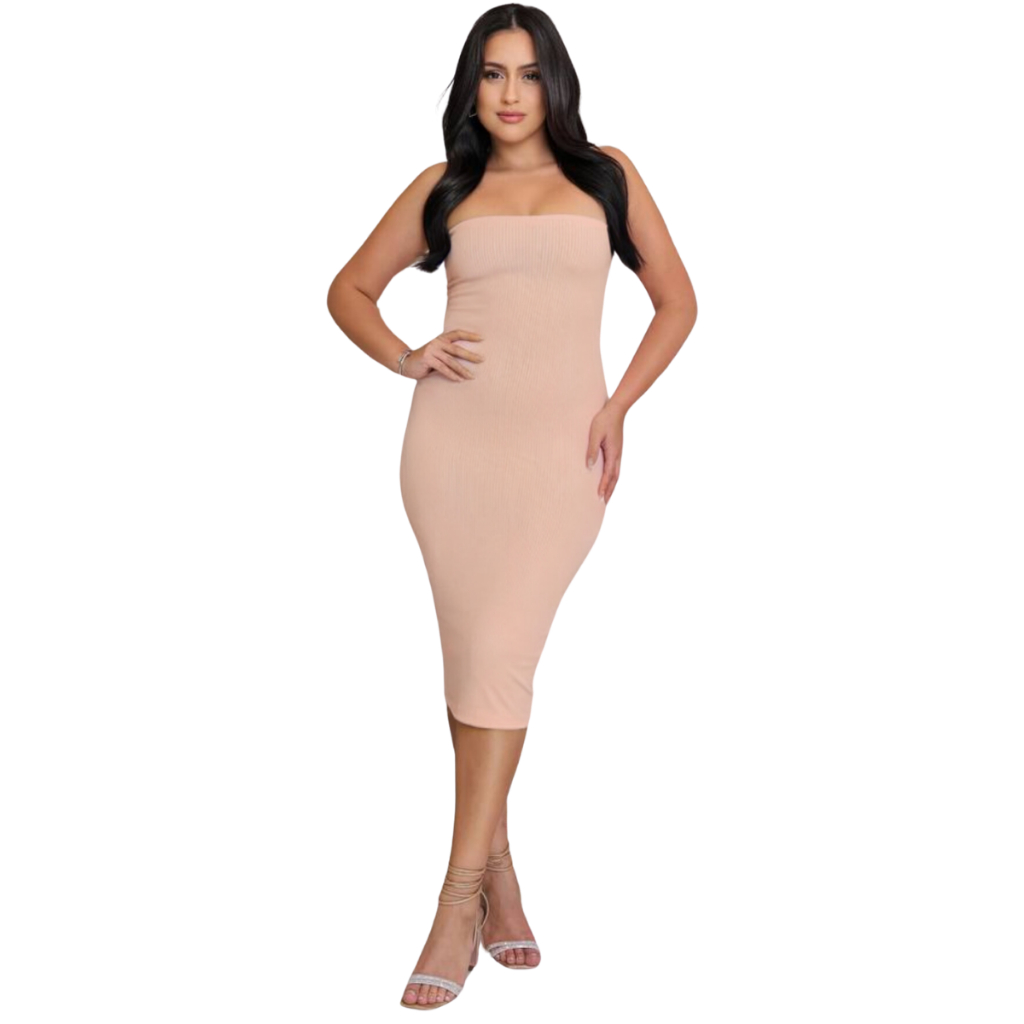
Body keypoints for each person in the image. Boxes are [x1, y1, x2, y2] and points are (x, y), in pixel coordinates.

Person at [326, 5, 696, 1010]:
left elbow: (678, 302)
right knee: (477, 661)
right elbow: (349, 289)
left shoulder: (606, 176)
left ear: (555, 84)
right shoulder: (444, 186)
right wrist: (405, 355)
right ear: (470, 87)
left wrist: (618, 404)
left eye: (528, 74)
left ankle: (458, 898)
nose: (509, 94)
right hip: (450, 454)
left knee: (498, 652)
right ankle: (498, 875)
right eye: (491, 74)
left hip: (560, 459)